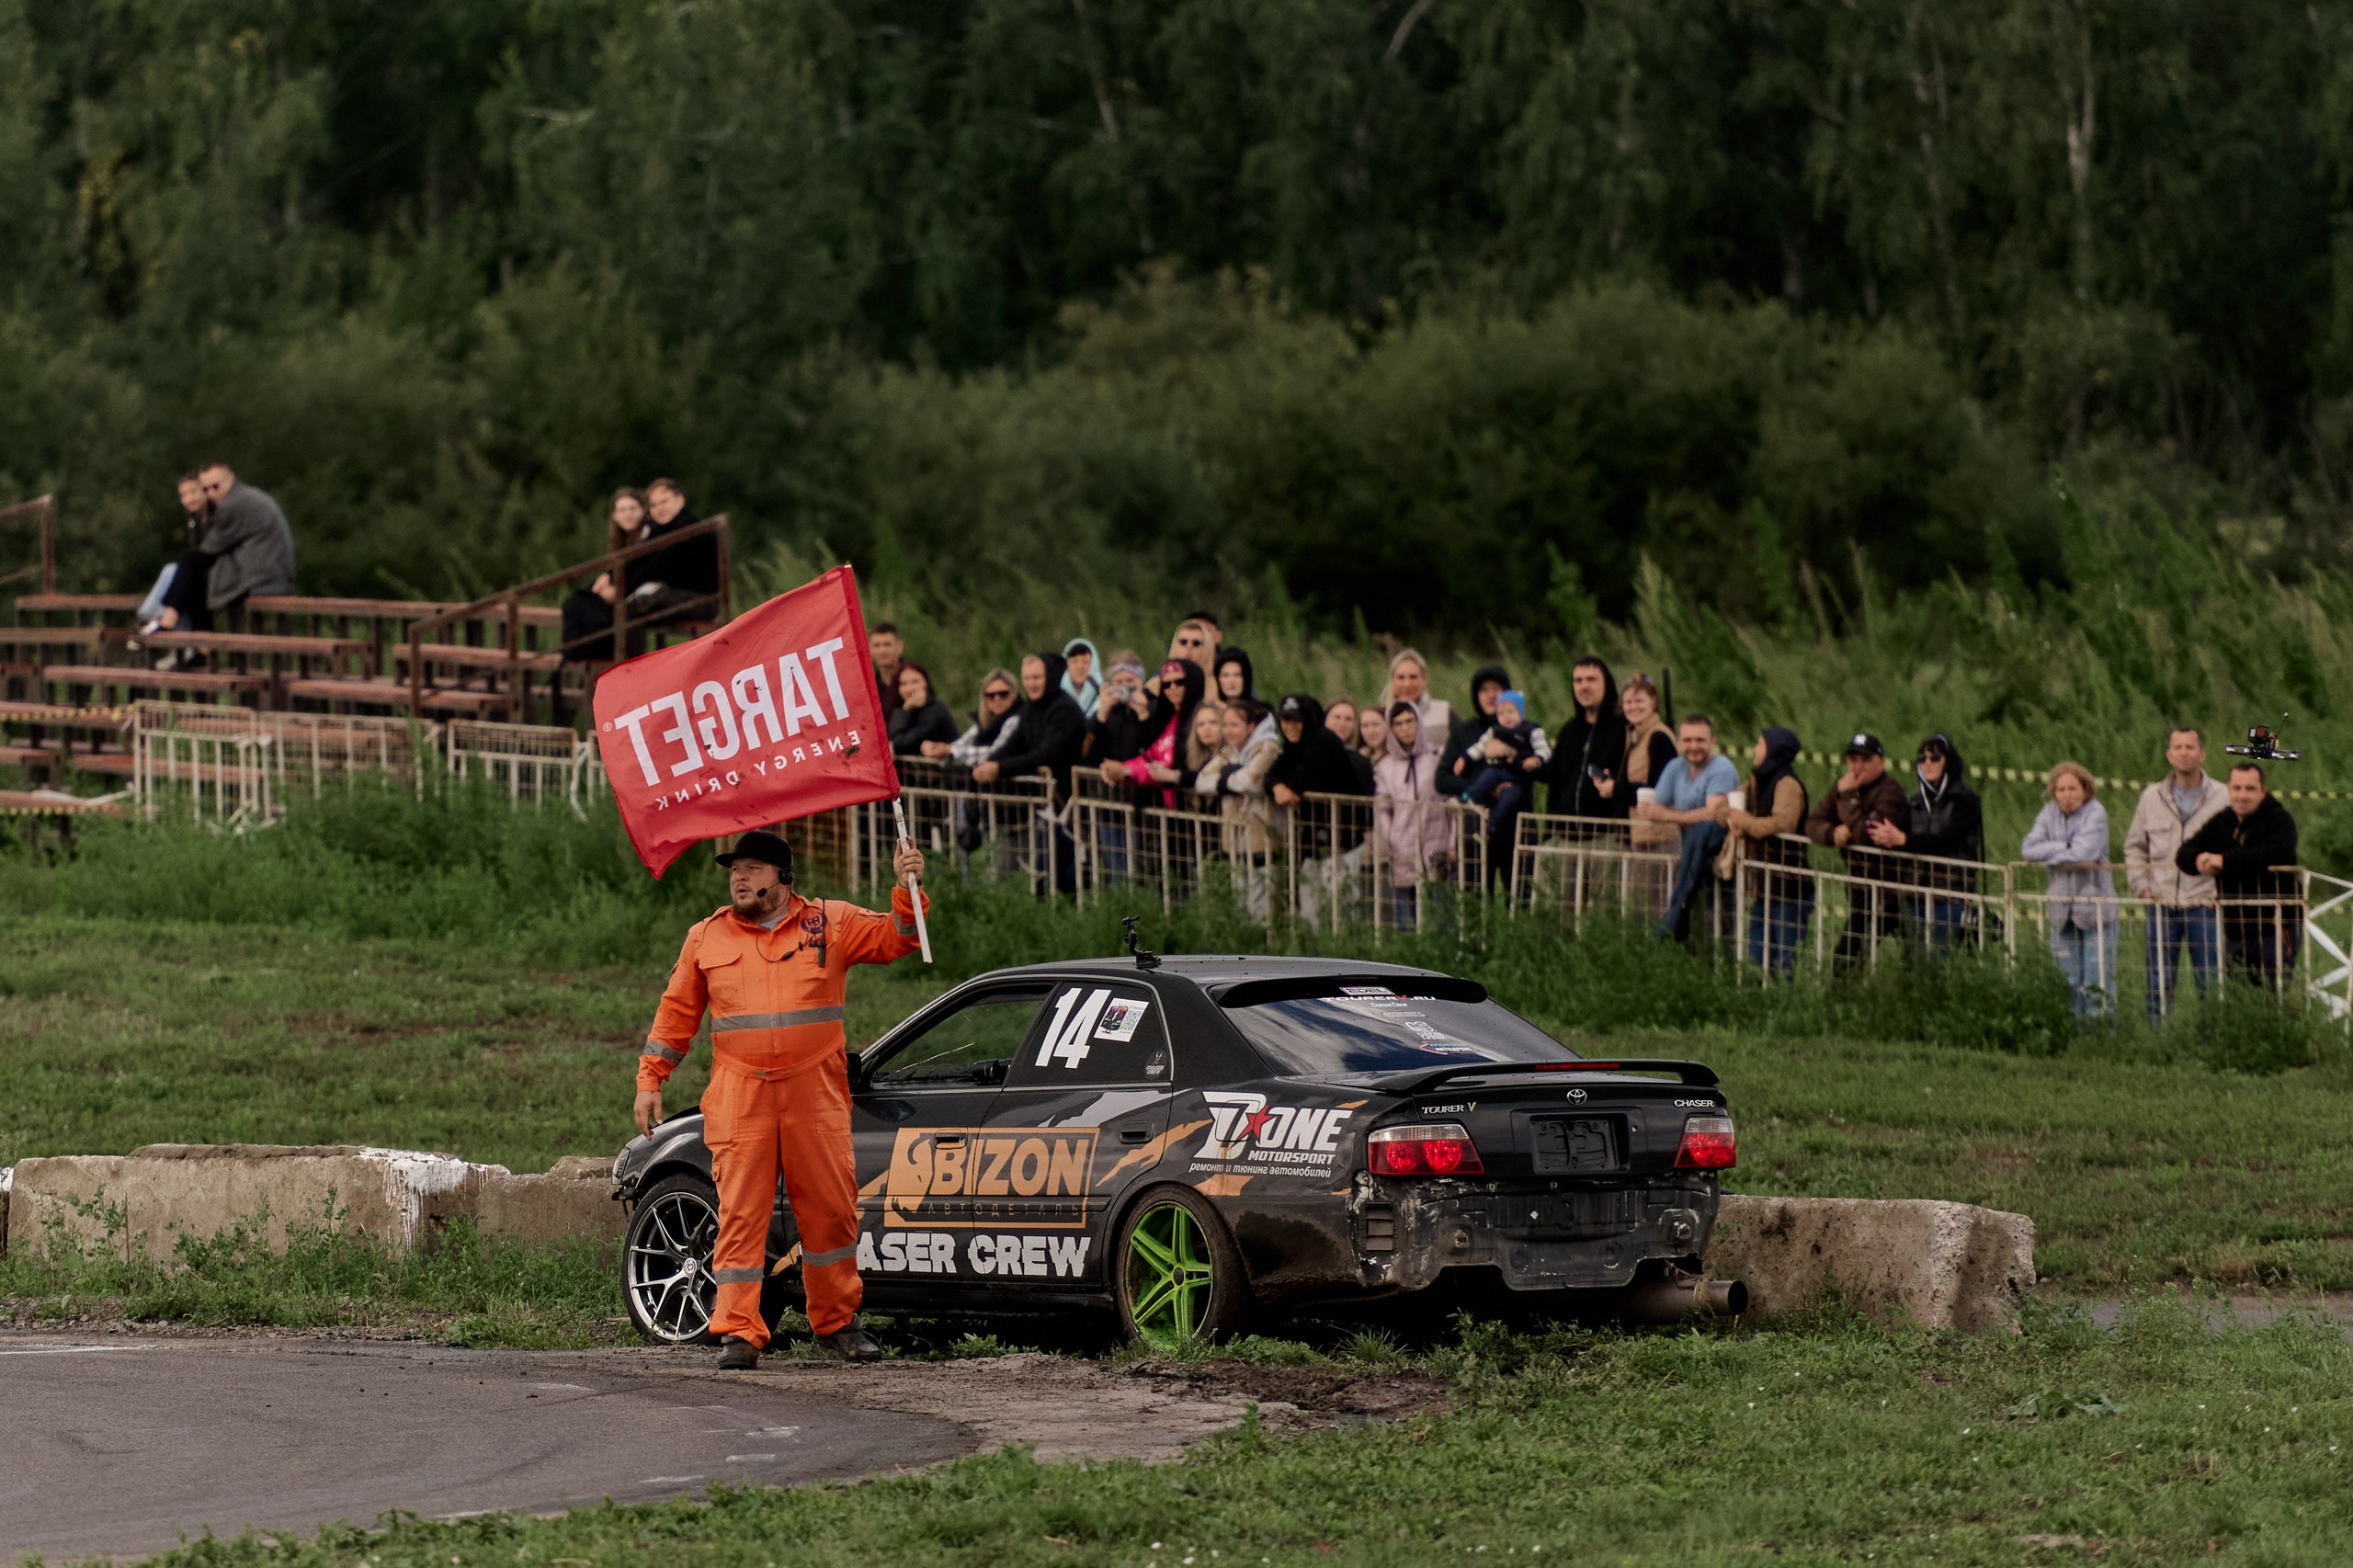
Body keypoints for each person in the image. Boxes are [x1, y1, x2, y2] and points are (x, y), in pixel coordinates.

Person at [633, 829, 927, 1369]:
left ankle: (836, 1323)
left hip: (814, 1093)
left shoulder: (829, 923)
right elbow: (676, 1014)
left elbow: (899, 938)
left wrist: (906, 886)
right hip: (740, 1095)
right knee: (740, 1215)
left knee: (830, 1212)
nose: (739, 878)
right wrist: (651, 1079)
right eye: (734, 870)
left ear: (783, 877)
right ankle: (739, 1332)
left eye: (752, 869)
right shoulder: (706, 937)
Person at [2125, 727, 2229, 1017]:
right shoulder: (2151, 797)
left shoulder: (2223, 796)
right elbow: (2135, 847)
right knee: (2158, 983)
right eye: (2178, 747)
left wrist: (2222, 892)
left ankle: (2212, 1039)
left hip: (2204, 905)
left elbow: (2236, 848)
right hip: (2160, 904)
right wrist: (2142, 888)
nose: (2184, 753)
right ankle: (2159, 1040)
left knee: (2210, 982)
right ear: (2169, 755)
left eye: (2190, 747)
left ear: (2202, 754)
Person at [2177, 763, 2302, 990]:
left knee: (2271, 996)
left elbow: (2274, 855)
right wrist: (2198, 859)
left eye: (2250, 789)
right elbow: (2184, 852)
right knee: (2237, 996)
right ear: (2229, 790)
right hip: (2235, 930)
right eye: (2237, 788)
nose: (2242, 795)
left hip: (2274, 927)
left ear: (2262, 791)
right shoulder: (2223, 821)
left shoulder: (2280, 821)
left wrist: (2224, 861)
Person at [153, 462, 295, 659]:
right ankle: (199, 646)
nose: (211, 493)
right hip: (269, 572)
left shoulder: (232, 505)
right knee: (196, 571)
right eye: (206, 489)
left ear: (230, 479)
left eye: (215, 486)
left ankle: (170, 621)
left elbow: (207, 551)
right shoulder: (245, 496)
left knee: (193, 566)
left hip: (262, 577)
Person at [974, 653, 1087, 892]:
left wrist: (1000, 768)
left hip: (1071, 803)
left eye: (1037, 677)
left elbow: (1047, 754)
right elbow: (1012, 746)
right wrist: (988, 765)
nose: (1031, 684)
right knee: (1048, 870)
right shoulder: (1030, 709)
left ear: (1051, 677)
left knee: (1067, 872)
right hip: (1048, 804)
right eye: (1026, 678)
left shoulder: (1064, 710)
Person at [1868, 733, 1984, 950]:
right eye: (1922, 759)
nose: (1928, 763)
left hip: (1950, 894)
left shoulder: (1966, 801)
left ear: (1948, 761)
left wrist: (1903, 839)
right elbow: (1897, 833)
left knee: (1941, 957)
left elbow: (1949, 841)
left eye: (1935, 757)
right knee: (1915, 958)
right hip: (1914, 893)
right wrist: (1884, 834)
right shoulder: (1915, 802)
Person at [2021, 761, 2118, 1019]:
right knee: (2067, 981)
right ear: (2053, 793)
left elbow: (2085, 853)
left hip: (2096, 911)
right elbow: (2029, 850)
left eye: (2073, 789)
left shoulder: (2096, 813)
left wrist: (2051, 854)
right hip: (2061, 912)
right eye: (2061, 790)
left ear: (2085, 789)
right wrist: (2064, 847)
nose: (2067, 795)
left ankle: (2100, 1034)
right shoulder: (2048, 813)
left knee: (2097, 982)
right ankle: (2072, 1034)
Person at [1803, 733, 1911, 965]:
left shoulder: (1890, 793)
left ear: (1880, 762)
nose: (1857, 766)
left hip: (1894, 890)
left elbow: (1868, 837)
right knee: (1848, 957)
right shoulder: (1844, 787)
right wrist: (1832, 833)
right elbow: (1813, 822)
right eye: (1853, 759)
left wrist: (1849, 798)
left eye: (1865, 760)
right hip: (1861, 886)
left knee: (1913, 953)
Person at [1267, 693, 1373, 924]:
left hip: (1344, 842)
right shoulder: (1296, 744)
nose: (1290, 726)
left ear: (1307, 719)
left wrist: (1285, 786)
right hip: (1314, 843)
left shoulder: (1322, 741)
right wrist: (1277, 786)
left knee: (1342, 911)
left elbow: (1302, 780)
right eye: (1285, 719)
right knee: (1310, 912)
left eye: (1296, 720)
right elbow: (1273, 774)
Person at [1636, 715, 1738, 942]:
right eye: (1688, 740)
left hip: (1718, 856)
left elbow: (1714, 813)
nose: (1693, 746)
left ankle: (1719, 958)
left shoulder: (1721, 768)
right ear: (1679, 742)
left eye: (1700, 740)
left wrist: (1671, 815)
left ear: (1713, 741)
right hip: (1688, 852)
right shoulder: (1676, 767)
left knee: (1717, 918)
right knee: (1690, 910)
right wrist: (1684, 816)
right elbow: (1655, 806)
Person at [1719, 727, 1813, 971]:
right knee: (1756, 961)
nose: (1754, 750)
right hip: (1763, 888)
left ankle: (1784, 995)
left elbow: (1783, 823)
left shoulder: (1787, 784)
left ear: (1773, 750)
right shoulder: (1755, 781)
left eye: (1759, 744)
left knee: (1785, 962)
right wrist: (1731, 818)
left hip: (1789, 889)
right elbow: (1723, 806)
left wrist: (1745, 822)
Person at [1454, 689, 1552, 882]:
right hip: (1496, 771)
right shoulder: (1494, 731)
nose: (1506, 717)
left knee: (1508, 799)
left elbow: (1545, 750)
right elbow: (1480, 747)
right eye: (1502, 713)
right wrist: (1465, 758)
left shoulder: (1531, 730)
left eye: (1511, 712)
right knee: (1483, 782)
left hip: (1515, 779)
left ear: (1520, 712)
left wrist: (1537, 760)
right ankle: (1464, 799)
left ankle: (1491, 826)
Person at [1197, 699, 1280, 919]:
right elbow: (1201, 781)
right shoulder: (1228, 752)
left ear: (1250, 726)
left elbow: (1251, 780)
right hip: (1234, 839)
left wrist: (1224, 779)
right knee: (1240, 903)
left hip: (1262, 837)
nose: (1229, 731)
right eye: (1226, 725)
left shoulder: (1267, 747)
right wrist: (1229, 781)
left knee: (1263, 906)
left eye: (1235, 725)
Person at [1374, 701, 1455, 928]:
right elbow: (1382, 809)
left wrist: (1452, 842)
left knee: (1443, 915)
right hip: (1403, 849)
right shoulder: (1385, 767)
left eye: (1410, 721)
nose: (1405, 728)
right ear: (1391, 728)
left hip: (1437, 847)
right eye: (1398, 723)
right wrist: (1393, 837)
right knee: (1406, 918)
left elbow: (1452, 805)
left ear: (1419, 722)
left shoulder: (1437, 759)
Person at [560, 488, 653, 663]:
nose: (628, 514)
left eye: (633, 508)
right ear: (615, 515)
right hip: (618, 592)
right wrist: (607, 579)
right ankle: (572, 655)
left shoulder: (651, 536)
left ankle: (589, 654)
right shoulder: (619, 541)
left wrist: (617, 590)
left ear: (643, 511)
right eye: (622, 510)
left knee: (592, 611)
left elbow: (646, 571)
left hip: (638, 595)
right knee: (574, 604)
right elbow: (614, 571)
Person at [1619, 674, 1679, 911]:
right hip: (1643, 835)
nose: (1633, 707)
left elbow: (1661, 791)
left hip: (1659, 838)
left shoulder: (1659, 737)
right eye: (1628, 702)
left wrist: (1617, 789)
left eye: (1639, 701)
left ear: (1653, 702)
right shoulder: (1636, 736)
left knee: (1654, 911)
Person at [1547, 656, 1628, 823]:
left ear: (1606, 683)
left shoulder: (1624, 728)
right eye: (1578, 681)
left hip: (1610, 833)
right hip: (1566, 834)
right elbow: (1555, 786)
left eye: (1591, 679)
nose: (1584, 686)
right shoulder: (1568, 731)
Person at [135, 475, 211, 639]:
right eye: (183, 495)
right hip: (199, 576)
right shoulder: (195, 520)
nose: (189, 499)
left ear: (205, 491)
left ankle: (151, 615)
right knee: (174, 572)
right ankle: (155, 617)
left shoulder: (216, 517)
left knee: (175, 571)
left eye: (193, 492)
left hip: (215, 576)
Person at [1435, 665, 1510, 800]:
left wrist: (1511, 753)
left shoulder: (1523, 729)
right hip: (1474, 811)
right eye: (1484, 690)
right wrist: (1485, 786)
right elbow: (1442, 781)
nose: (1491, 695)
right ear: (1476, 696)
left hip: (1515, 811)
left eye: (1496, 689)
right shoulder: (1461, 733)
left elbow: (1544, 771)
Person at [932, 668, 1017, 765]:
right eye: (991, 695)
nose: (997, 699)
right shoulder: (984, 722)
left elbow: (997, 752)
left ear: (1013, 694)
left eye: (1003, 694)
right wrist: (937, 748)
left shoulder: (1016, 719)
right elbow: (962, 743)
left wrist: (951, 752)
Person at [886, 663, 957, 756]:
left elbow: (900, 744)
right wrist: (905, 710)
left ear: (926, 683)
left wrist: (905, 710)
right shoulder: (903, 709)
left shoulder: (935, 711)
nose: (909, 688)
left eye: (915, 682)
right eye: (903, 684)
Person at [1383, 649, 1453, 741]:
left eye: (1413, 677)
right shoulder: (1382, 718)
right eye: (1401, 677)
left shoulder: (1444, 712)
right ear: (1392, 680)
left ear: (1425, 679)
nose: (1407, 684)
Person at [1324, 699, 1376, 792]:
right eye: (1337, 717)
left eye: (1348, 719)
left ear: (1355, 726)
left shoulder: (1362, 762)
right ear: (1324, 720)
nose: (1342, 724)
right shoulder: (1309, 753)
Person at [870, 624, 906, 719]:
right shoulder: (872, 688)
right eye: (877, 645)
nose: (882, 651)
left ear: (900, 646)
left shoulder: (914, 678)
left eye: (887, 644)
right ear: (870, 649)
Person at [1061, 637, 1100, 715]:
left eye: (1085, 662)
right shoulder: (1057, 696)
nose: (1080, 667)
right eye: (1074, 662)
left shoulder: (1103, 697)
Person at [1357, 701, 1390, 766]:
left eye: (1375, 724)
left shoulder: (1399, 759)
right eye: (1365, 726)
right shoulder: (1357, 759)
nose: (1370, 731)